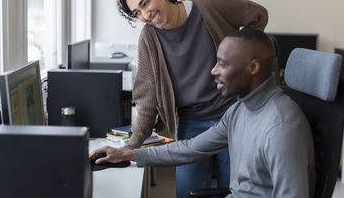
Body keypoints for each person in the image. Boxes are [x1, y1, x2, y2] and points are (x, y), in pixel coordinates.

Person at [90, 28, 316, 197]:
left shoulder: (282, 127)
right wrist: (129, 154)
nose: (213, 70)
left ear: (253, 67)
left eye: (222, 64)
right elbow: (190, 148)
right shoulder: (239, 110)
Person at [115, 0, 268, 197]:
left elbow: (258, 14)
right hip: (190, 123)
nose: (145, 15)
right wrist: (131, 147)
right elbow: (147, 101)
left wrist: (240, 55)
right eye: (137, 12)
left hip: (232, 116)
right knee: (188, 192)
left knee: (235, 190)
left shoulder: (207, 7)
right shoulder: (149, 39)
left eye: (145, 3)